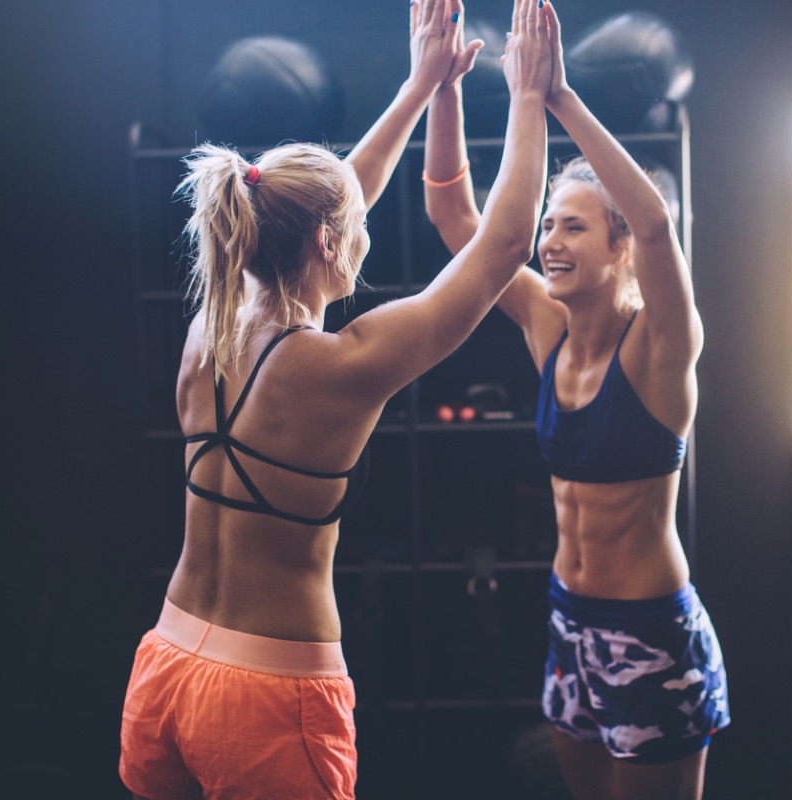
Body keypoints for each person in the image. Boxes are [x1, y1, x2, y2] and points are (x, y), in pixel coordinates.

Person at [118, 1, 551, 797]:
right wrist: (529, 93)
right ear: (324, 243)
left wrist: (422, 84)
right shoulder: (335, 367)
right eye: (354, 229)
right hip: (266, 694)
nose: (366, 235)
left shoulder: (207, 328)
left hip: (168, 664)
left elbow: (332, 194)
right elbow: (505, 246)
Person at [423, 2, 729, 798]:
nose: (550, 242)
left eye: (576, 229)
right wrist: (442, 90)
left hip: (650, 637)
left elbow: (660, 227)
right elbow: (457, 219)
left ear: (618, 247)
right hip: (570, 624)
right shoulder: (542, 325)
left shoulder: (662, 348)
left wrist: (556, 97)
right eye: (548, 224)